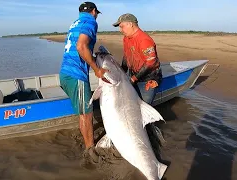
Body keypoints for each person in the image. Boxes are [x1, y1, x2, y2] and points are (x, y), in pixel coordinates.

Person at [59, 2, 107, 167]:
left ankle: (87, 143)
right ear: (94, 12)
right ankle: (90, 150)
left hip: (65, 73)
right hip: (76, 75)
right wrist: (96, 69)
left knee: (82, 112)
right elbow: (81, 46)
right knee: (87, 114)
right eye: (96, 13)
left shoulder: (76, 23)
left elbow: (79, 45)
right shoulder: (91, 22)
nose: (96, 16)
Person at [112, 13, 162, 105]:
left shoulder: (144, 40)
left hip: (148, 78)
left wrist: (133, 79)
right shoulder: (126, 38)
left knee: (144, 105)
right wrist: (122, 72)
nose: (120, 30)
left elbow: (150, 63)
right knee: (132, 103)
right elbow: (126, 56)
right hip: (134, 74)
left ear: (130, 24)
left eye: (121, 26)